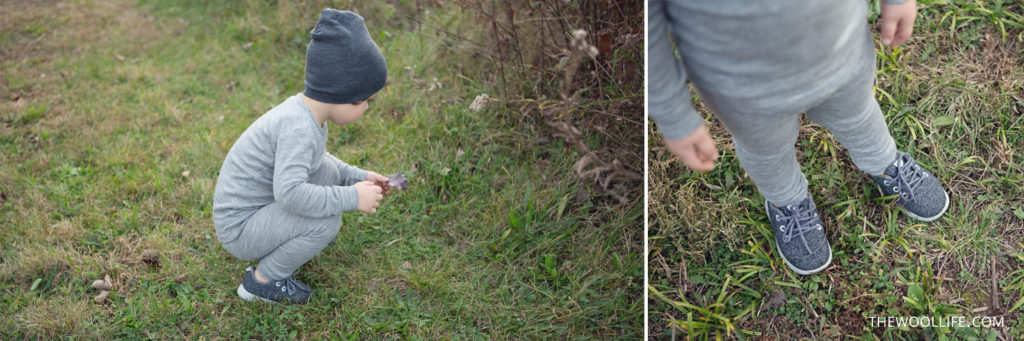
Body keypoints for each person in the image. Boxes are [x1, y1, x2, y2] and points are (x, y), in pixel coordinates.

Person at [649, 0, 949, 275]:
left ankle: (884, 163)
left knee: (858, 115)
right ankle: (787, 201)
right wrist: (673, 114)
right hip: (741, 87)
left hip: (840, 49)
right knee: (766, 151)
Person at [213, 8, 390, 303]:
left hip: (257, 211)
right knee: (326, 222)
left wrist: (358, 177)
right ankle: (262, 281)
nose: (368, 108)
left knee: (329, 174)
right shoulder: (299, 128)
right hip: (240, 229)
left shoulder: (307, 112)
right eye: (366, 101)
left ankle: (297, 239)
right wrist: (352, 198)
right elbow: (290, 195)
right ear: (345, 96)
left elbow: (320, 160)